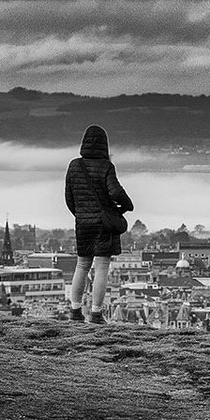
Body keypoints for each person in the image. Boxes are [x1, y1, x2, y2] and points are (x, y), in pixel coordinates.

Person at [64, 124, 133, 323]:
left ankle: (75, 312)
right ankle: (96, 313)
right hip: (104, 224)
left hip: (83, 223)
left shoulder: (74, 165)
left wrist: (81, 214)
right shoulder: (106, 167)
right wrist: (127, 205)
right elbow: (116, 192)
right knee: (102, 266)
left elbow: (69, 197)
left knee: (82, 264)